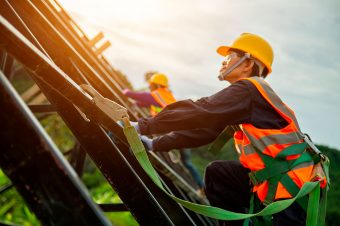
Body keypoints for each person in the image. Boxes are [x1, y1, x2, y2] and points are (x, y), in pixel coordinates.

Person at [133, 33, 318, 226]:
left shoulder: (249, 89)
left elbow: (200, 110)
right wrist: (155, 143)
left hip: (291, 189)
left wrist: (142, 126)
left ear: (248, 63)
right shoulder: (248, 99)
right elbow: (205, 131)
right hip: (274, 182)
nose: (223, 63)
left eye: (229, 57)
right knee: (218, 174)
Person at [123, 73, 204, 191]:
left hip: (174, 132)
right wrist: (135, 104)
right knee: (187, 163)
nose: (149, 87)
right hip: (184, 130)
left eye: (150, 84)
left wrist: (124, 91)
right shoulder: (166, 95)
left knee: (159, 145)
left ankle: (194, 182)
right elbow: (145, 103)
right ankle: (201, 187)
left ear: (155, 84)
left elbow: (131, 94)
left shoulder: (156, 95)